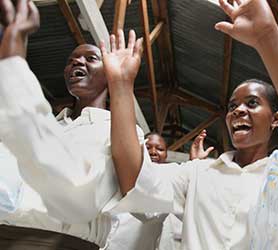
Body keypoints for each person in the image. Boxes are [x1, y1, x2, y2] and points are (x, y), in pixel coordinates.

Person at [103, 0, 278, 249]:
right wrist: (121, 85)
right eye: (232, 106)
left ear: (276, 120)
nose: (238, 110)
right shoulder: (196, 174)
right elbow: (134, 179)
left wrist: (270, 39)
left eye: (251, 103)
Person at [0, 0, 170, 249]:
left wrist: (121, 83)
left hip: (60, 243)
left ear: (108, 71)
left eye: (90, 58)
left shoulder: (117, 132)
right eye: (71, 60)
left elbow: (130, 198)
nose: (77, 63)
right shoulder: (52, 126)